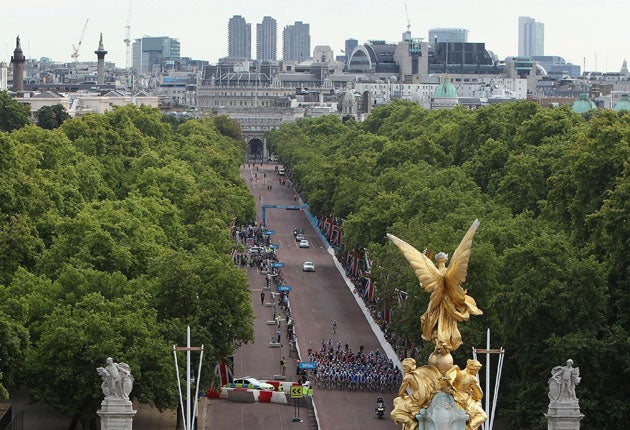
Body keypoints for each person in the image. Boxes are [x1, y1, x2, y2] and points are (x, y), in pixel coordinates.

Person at [387, 220, 482, 354]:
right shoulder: (450, 270)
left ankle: (440, 341)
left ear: (438, 261)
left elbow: (425, 284)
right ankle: (443, 341)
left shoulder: (433, 270)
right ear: (447, 260)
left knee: (432, 321)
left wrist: (424, 257)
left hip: (437, 302)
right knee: (447, 324)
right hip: (448, 303)